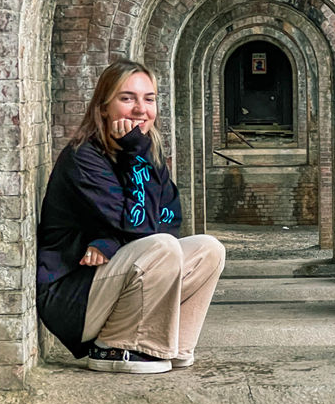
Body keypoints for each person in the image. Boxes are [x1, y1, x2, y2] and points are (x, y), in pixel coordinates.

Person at [36, 59, 225, 374]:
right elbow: (142, 228)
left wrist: (110, 241)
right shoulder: (84, 158)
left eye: (148, 99)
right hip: (72, 297)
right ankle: (115, 347)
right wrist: (134, 154)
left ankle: (171, 344)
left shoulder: (143, 152)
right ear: (104, 107)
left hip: (107, 282)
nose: (141, 108)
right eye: (127, 98)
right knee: (160, 247)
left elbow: (169, 219)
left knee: (209, 249)